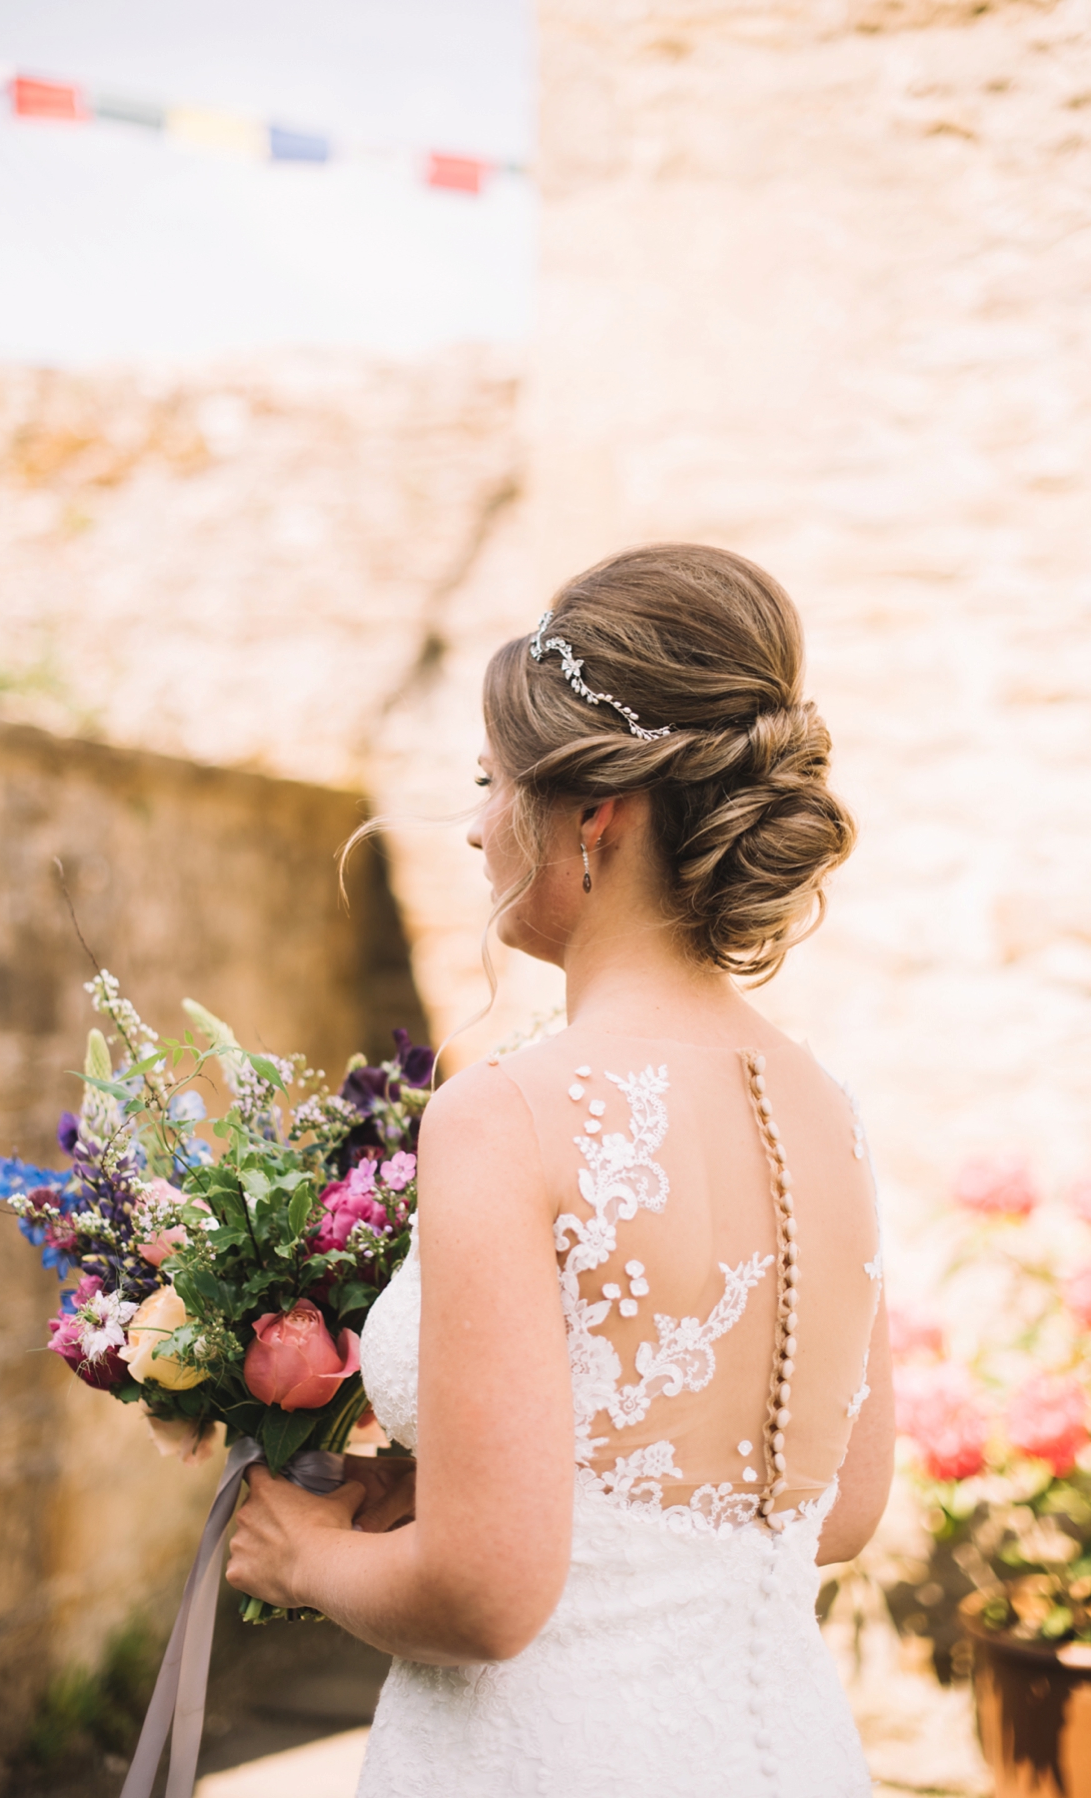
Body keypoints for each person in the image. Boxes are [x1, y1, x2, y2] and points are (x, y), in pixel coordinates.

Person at [227, 543, 895, 1796]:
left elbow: (486, 1598)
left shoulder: (511, 1113)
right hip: (790, 1753)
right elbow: (838, 1509)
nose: (476, 825)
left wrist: (299, 1550)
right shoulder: (829, 1110)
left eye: (493, 781)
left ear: (595, 814)